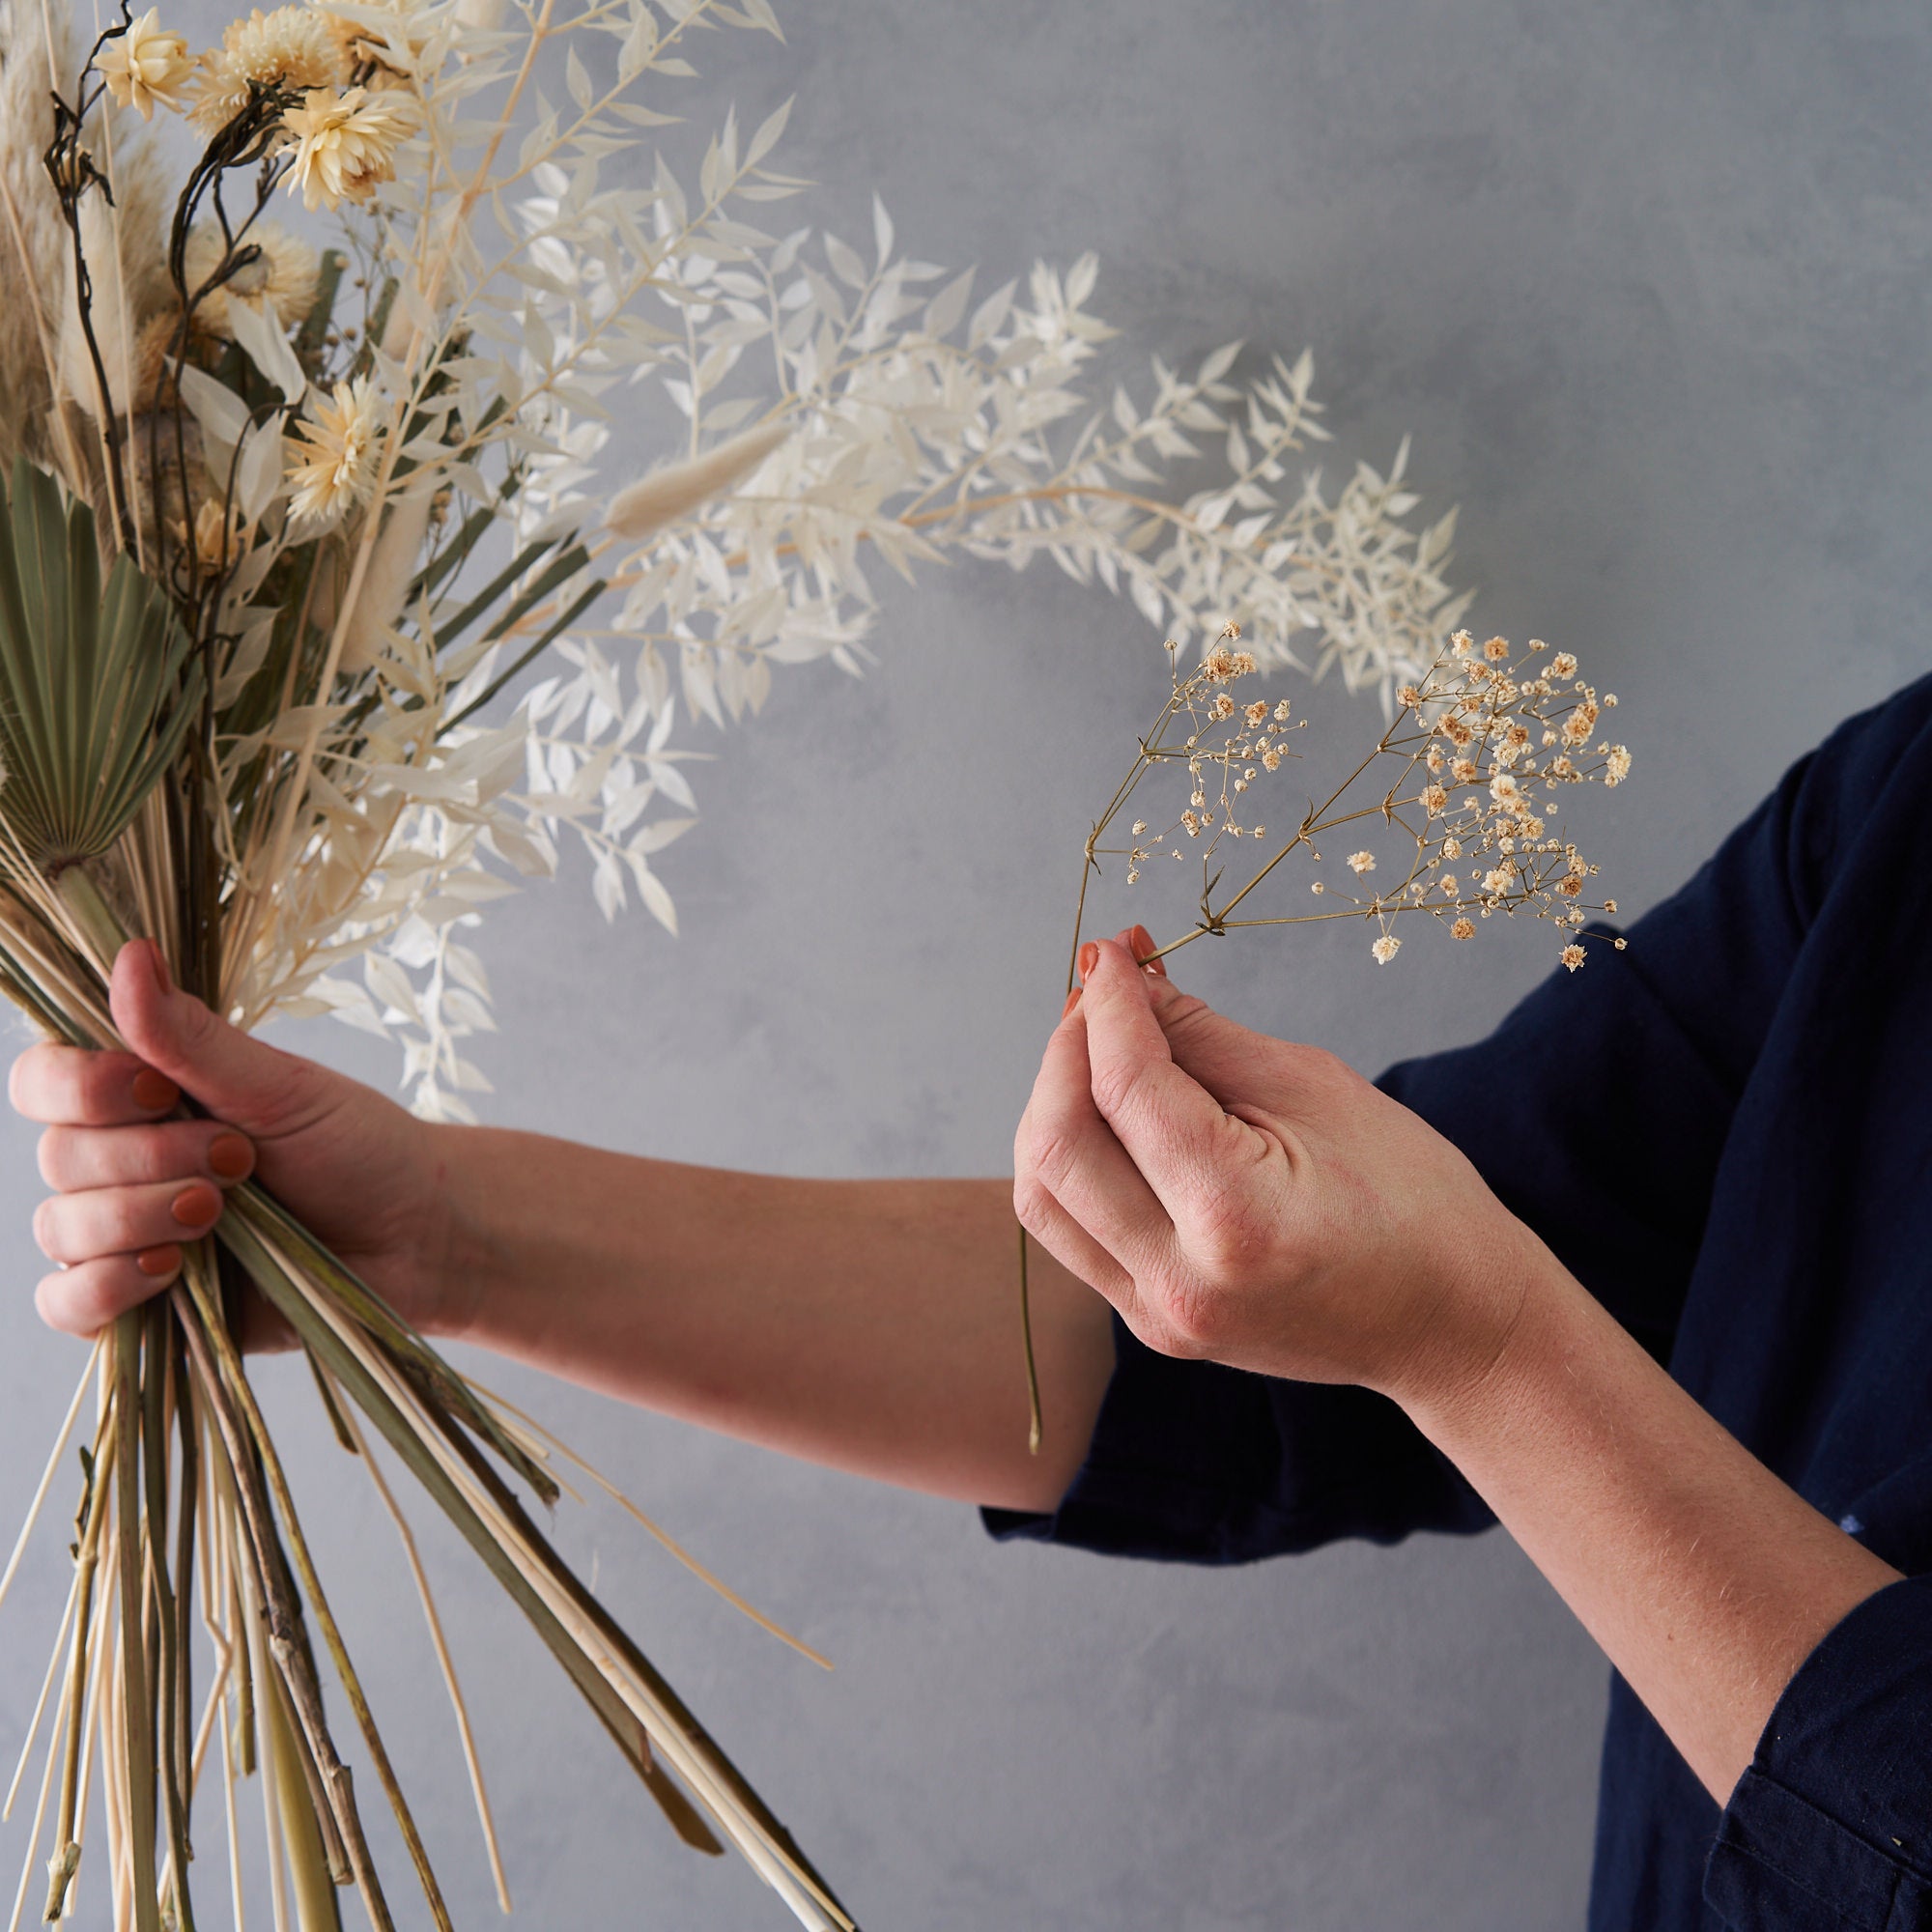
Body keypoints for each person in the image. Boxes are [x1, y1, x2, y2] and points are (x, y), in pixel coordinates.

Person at [14, 669, 1932, 1932]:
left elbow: (1467, 1324)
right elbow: (1292, 1374)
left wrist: (1480, 1344)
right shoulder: (1906, 817)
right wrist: (435, 1228)